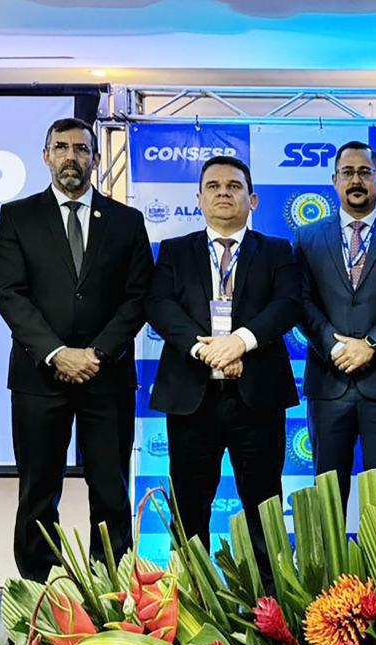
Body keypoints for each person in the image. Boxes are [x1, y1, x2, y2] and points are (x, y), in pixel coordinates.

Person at [0, 118, 152, 582]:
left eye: (81, 149)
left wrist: (96, 354)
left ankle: (113, 588)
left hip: (107, 376)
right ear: (46, 156)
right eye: (61, 147)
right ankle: (41, 590)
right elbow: (11, 294)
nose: (71, 157)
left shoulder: (126, 221)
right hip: (39, 378)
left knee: (111, 490)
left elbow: (138, 296)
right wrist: (57, 353)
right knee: (38, 492)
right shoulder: (17, 216)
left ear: (96, 159)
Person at [145, 155, 301, 576]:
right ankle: (193, 598)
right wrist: (206, 351)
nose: (223, 193)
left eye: (234, 186)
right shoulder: (175, 251)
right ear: (199, 199)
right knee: (189, 511)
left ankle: (271, 602)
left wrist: (239, 342)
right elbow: (159, 306)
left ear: (253, 199)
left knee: (264, 510)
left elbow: (288, 304)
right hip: (192, 400)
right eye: (213, 186)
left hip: (257, 401)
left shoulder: (276, 250)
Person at [296, 141, 376, 511]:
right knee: (327, 498)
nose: (356, 180)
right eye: (347, 173)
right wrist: (334, 346)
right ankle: (329, 555)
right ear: (334, 180)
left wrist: (372, 344)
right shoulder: (308, 237)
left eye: (364, 172)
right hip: (329, 383)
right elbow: (301, 301)